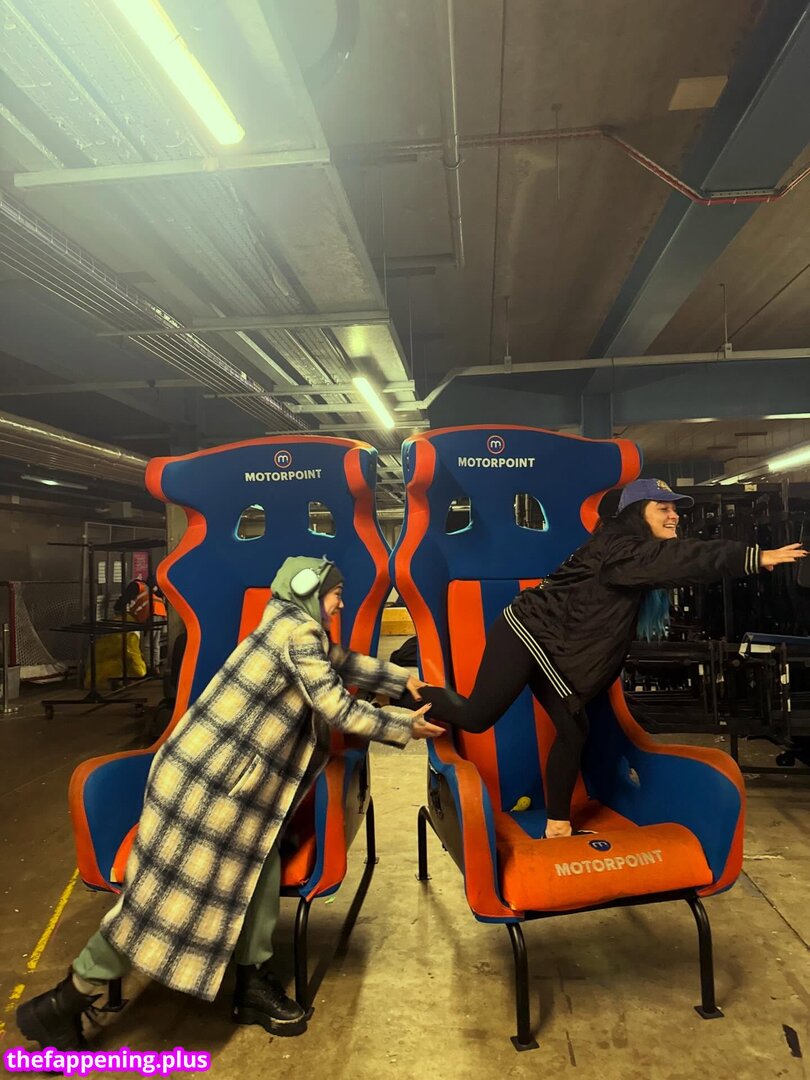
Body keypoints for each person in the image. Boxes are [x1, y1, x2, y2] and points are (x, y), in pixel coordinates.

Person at [17, 556, 439, 1050]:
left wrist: (398, 679)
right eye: (335, 594)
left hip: (232, 785)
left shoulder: (291, 625)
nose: (341, 603)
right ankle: (63, 1002)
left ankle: (252, 982)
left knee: (259, 866)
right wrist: (405, 725)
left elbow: (340, 661)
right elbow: (336, 707)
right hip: (207, 787)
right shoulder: (297, 634)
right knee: (157, 905)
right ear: (308, 591)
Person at [418, 478, 806, 839]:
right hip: (527, 633)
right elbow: (683, 559)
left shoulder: (627, 549)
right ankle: (406, 690)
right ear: (637, 513)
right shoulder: (620, 549)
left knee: (573, 729)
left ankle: (557, 827)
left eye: (675, 509)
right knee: (477, 717)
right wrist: (751, 556)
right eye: (663, 508)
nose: (674, 515)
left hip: (553, 644)